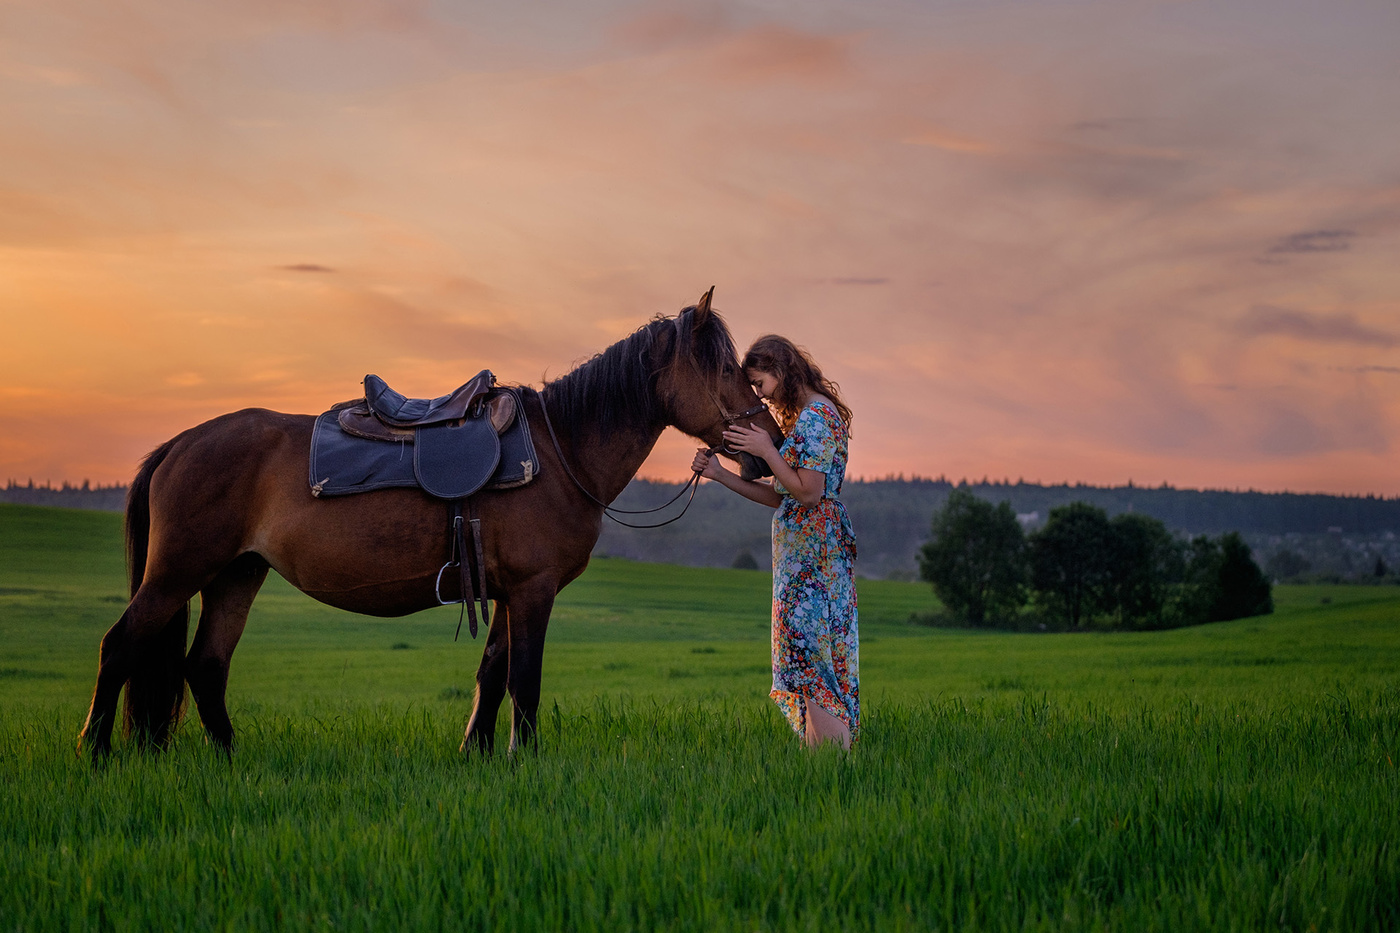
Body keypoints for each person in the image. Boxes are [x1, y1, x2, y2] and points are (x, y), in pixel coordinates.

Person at [692, 335, 859, 749]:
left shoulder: (817, 417)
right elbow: (779, 494)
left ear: (781, 371)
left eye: (761, 384)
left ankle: (833, 763)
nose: (762, 398)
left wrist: (766, 448)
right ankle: (820, 762)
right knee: (804, 657)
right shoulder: (806, 417)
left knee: (812, 657)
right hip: (802, 559)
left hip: (814, 560)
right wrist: (720, 474)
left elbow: (809, 493)